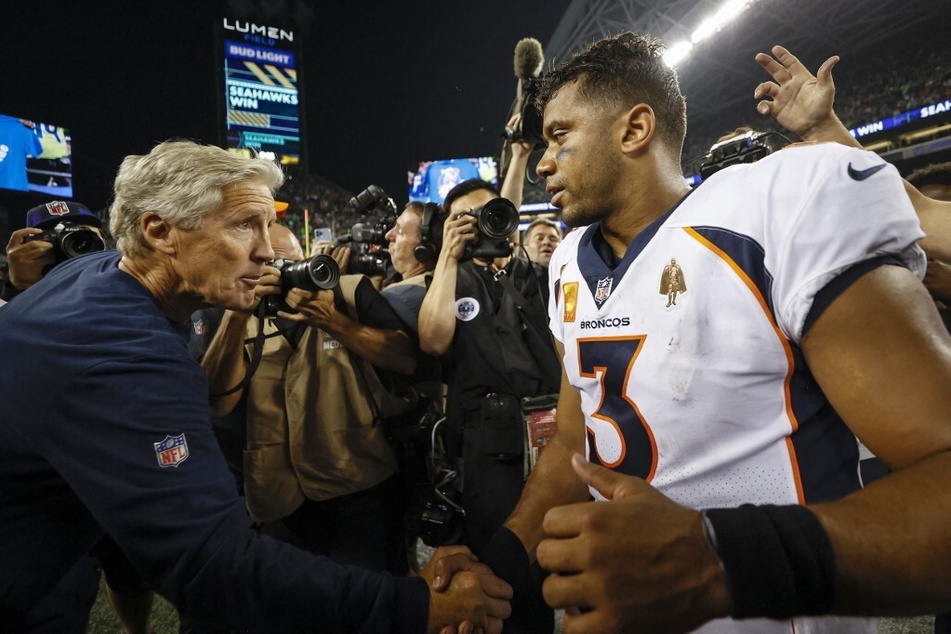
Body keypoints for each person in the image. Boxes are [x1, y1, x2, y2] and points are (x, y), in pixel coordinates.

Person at [436, 31, 951, 633]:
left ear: (634, 130)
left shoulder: (770, 210)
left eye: (560, 136)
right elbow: (576, 442)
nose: (544, 161)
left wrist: (724, 559)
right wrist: (500, 559)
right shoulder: (570, 262)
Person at [0, 139, 512, 633]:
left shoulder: (96, 276)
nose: (269, 253)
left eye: (269, 227)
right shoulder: (127, 352)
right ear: (158, 230)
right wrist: (416, 606)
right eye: (245, 225)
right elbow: (212, 566)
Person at [202, 221, 414, 576]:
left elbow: (405, 359)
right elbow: (217, 401)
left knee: (366, 606)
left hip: (357, 479)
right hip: (277, 496)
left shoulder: (348, 293)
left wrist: (335, 321)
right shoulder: (231, 310)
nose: (282, 274)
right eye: (268, 265)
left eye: (289, 263)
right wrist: (239, 313)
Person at [418, 179, 561, 633]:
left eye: (489, 213)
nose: (481, 225)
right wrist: (447, 255)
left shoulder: (537, 275)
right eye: (466, 218)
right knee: (506, 570)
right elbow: (434, 339)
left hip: (556, 436)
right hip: (489, 449)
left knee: (564, 565)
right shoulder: (451, 279)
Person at [1, 200, 105, 302]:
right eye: (56, 236)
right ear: (28, 245)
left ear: (103, 238)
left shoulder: (118, 274)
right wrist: (19, 286)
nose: (71, 243)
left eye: (81, 232)